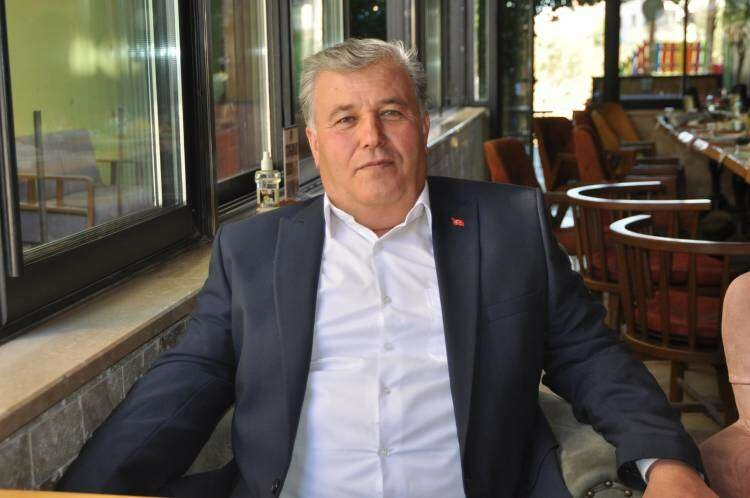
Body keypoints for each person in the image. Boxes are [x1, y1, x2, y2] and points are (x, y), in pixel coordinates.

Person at [59, 38, 715, 498]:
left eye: (390, 112)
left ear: (421, 125)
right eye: (345, 119)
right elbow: (185, 384)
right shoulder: (252, 250)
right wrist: (87, 490)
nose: (371, 136)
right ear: (314, 143)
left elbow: (590, 356)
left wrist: (666, 463)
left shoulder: (508, 228)